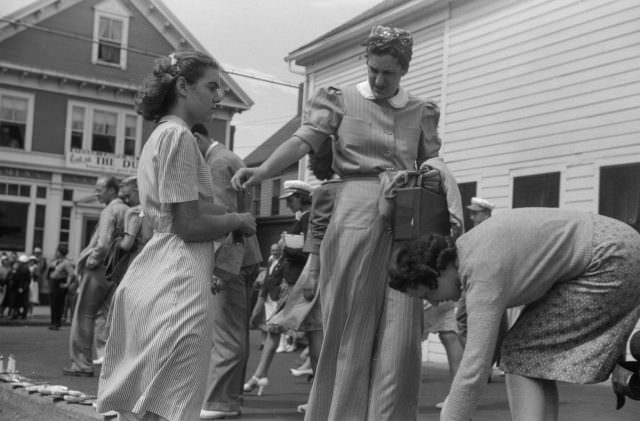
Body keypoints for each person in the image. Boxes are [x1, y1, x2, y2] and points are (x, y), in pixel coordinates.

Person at [232, 25, 459, 420]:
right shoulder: (339, 101)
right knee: (350, 326)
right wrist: (262, 170)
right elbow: (303, 141)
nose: (378, 78)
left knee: (401, 333)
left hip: (406, 221)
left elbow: (435, 164)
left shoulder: (421, 112)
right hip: (353, 213)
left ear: (404, 70)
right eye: (373, 69)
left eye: (388, 72)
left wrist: (451, 210)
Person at [96, 50, 256, 421]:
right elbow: (187, 225)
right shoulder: (180, 138)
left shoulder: (160, 136)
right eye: (211, 86)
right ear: (183, 86)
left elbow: (177, 213)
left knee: (154, 398)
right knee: (170, 404)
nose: (219, 96)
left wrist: (226, 217)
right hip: (178, 277)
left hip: (159, 268)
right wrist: (237, 221)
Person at [388, 208, 640, 421]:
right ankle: (622, 372)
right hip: (617, 245)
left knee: (520, 352)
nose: (433, 301)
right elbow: (480, 327)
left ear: (438, 271)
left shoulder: (481, 272)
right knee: (525, 354)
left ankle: (621, 372)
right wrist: (497, 356)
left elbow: (474, 368)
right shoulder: (467, 251)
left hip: (610, 258)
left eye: (426, 293)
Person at [191, 123, 263, 420]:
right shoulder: (228, 158)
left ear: (195, 138)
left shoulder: (217, 164)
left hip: (231, 257)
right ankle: (228, 398)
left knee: (226, 332)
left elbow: (226, 220)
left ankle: (221, 401)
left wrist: (220, 269)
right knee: (235, 331)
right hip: (245, 255)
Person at [266, 139, 341, 413]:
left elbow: (316, 241)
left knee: (318, 336)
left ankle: (321, 399)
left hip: (320, 274)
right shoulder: (347, 190)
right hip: (339, 273)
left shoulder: (326, 194)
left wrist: (311, 273)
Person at [243, 180, 312, 396]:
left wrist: (287, 246)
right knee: (275, 328)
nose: (288, 205)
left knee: (313, 330)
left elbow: (310, 251)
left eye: (290, 200)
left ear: (302, 197)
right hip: (293, 284)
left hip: (301, 284)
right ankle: (260, 374)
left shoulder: (310, 218)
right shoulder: (303, 218)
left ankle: (314, 371)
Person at [63, 175, 128, 377]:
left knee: (84, 314)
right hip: (116, 270)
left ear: (111, 190)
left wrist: (92, 260)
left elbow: (104, 241)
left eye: (100, 189)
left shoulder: (110, 210)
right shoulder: (126, 210)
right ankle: (112, 365)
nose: (96, 192)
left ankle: (81, 364)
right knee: (109, 318)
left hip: (99, 268)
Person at [47, 244, 75, 330]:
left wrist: (67, 284)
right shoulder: (55, 261)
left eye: (57, 251)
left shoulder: (66, 263)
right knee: (52, 304)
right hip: (53, 283)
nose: (56, 252)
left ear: (61, 252)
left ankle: (57, 323)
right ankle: (53, 322)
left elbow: (72, 274)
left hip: (60, 283)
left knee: (58, 304)